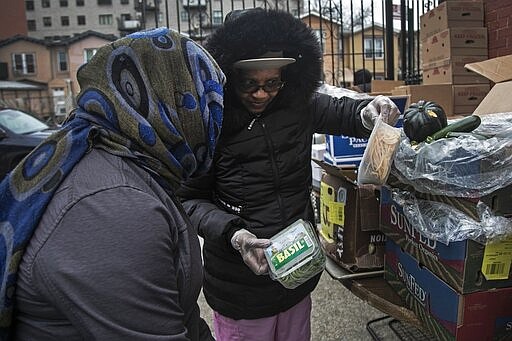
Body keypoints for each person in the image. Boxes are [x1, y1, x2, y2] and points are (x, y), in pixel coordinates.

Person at [177, 8, 400, 341]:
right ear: (227, 76)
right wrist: (234, 235)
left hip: (297, 270)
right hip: (240, 286)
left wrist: (370, 111)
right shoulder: (212, 124)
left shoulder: (298, 104)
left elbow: (345, 111)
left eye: (272, 83)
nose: (262, 94)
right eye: (249, 84)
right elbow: (189, 198)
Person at [0, 27, 224, 340]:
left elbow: (183, 319)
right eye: (209, 103)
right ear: (175, 103)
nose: (216, 122)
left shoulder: (125, 161)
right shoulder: (115, 206)